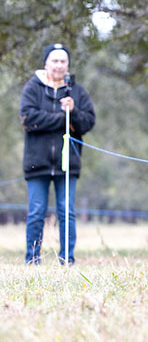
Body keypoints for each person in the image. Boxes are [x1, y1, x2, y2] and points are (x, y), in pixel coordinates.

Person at [20, 43, 96, 264]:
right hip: (37, 163)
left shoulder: (77, 92)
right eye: (54, 60)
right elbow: (29, 119)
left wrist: (74, 111)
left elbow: (88, 122)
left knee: (66, 212)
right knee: (36, 212)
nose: (59, 65)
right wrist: (62, 118)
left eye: (63, 61)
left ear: (68, 65)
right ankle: (32, 260)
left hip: (67, 164)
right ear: (46, 63)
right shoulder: (32, 88)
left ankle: (67, 259)